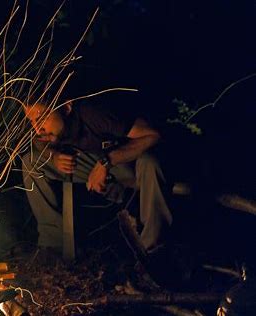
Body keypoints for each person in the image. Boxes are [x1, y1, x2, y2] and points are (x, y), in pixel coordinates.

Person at [22, 94, 173, 252]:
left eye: (41, 119)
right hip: (94, 163)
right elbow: (38, 143)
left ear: (66, 108)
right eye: (31, 121)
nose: (37, 128)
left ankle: (151, 249)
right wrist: (53, 157)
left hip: (130, 163)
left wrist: (106, 163)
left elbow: (152, 135)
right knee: (31, 162)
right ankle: (53, 246)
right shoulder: (46, 131)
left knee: (150, 163)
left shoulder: (94, 114)